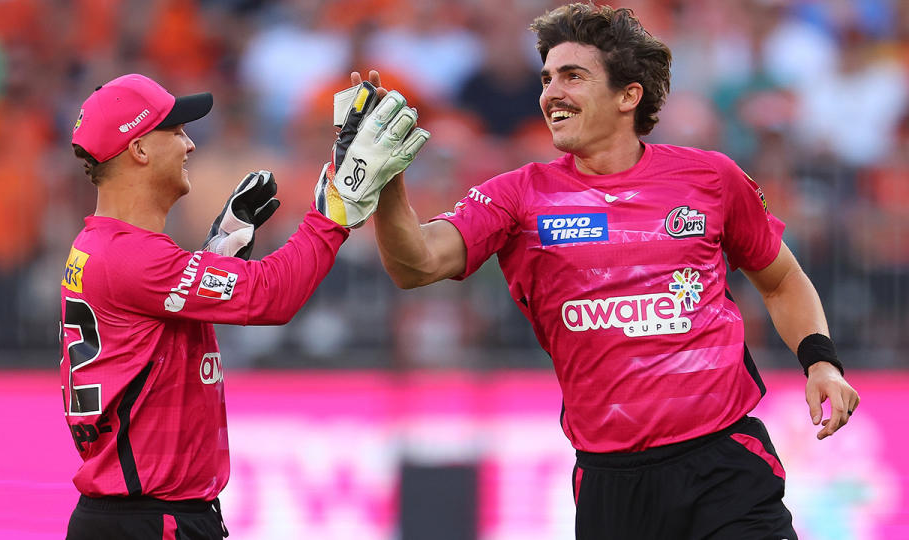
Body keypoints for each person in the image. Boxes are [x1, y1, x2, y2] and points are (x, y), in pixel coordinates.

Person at [368, 4, 860, 539]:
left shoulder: (711, 177)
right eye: (547, 78)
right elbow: (414, 265)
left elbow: (782, 278)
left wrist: (821, 363)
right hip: (610, 481)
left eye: (573, 76)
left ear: (629, 95)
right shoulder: (517, 195)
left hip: (724, 464)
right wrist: (387, 182)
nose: (551, 92)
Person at [60, 73, 427, 539]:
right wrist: (338, 204)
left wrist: (215, 255)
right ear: (139, 150)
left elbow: (156, 318)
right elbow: (273, 296)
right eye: (175, 131)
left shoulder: (106, 246)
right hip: (151, 519)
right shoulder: (133, 258)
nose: (190, 144)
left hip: (140, 515)